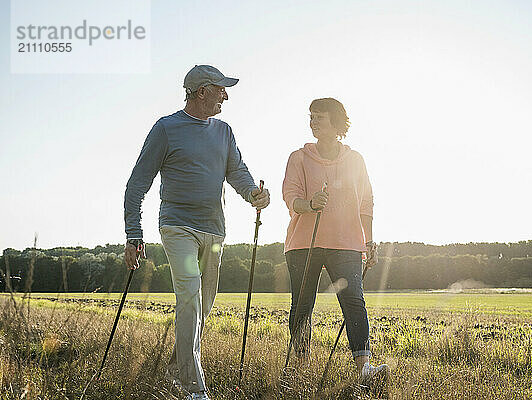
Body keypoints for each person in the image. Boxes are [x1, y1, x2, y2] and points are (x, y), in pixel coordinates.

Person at [123, 65, 270, 400]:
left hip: (215, 231)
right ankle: (194, 389)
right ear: (201, 91)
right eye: (221, 89)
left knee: (202, 308)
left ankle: (176, 372)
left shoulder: (224, 131)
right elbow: (137, 185)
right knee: (189, 300)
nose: (226, 95)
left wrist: (253, 194)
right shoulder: (166, 129)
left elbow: (237, 171)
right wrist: (134, 233)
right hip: (178, 227)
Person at [282, 97, 388, 385]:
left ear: (336, 123)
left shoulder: (355, 160)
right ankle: (302, 366)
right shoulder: (298, 157)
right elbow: (290, 197)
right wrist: (310, 203)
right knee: (302, 305)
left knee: (354, 300)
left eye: (320, 117)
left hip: (347, 243)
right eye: (311, 116)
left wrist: (369, 241)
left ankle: (364, 368)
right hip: (304, 243)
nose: (313, 121)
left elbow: (366, 202)